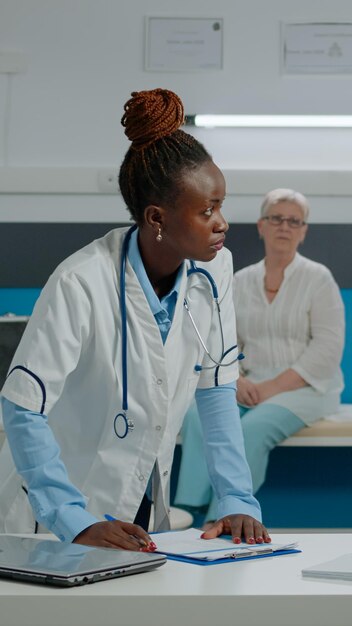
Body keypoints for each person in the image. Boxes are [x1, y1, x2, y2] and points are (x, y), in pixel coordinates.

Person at [0, 88, 270, 550]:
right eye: (207, 211)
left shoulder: (214, 268)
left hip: (144, 497)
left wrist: (236, 498)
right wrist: (73, 519)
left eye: (221, 206)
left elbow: (217, 387)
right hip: (59, 514)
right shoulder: (80, 282)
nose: (222, 223)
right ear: (156, 218)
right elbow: (22, 408)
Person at [175, 188, 345, 523]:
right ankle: (187, 506)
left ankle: (226, 515)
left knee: (252, 429)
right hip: (248, 382)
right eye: (276, 218)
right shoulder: (240, 280)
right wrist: (236, 379)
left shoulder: (318, 279)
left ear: (303, 230)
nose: (285, 226)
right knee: (198, 415)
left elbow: (326, 350)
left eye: (294, 221)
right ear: (261, 226)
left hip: (309, 388)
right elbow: (223, 339)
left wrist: (269, 388)